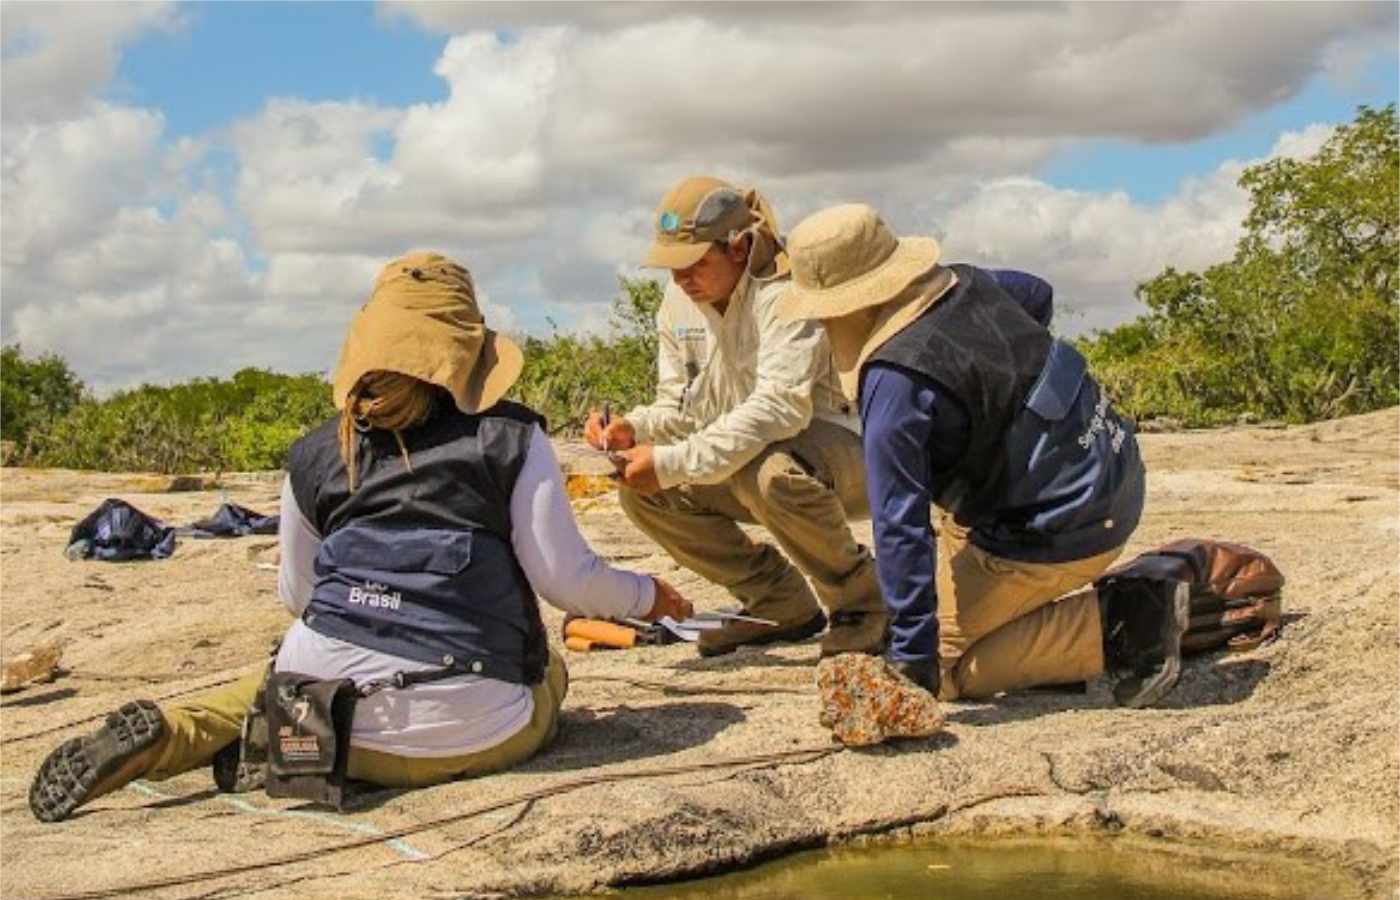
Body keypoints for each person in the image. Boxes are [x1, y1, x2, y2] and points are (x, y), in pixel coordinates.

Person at [29, 251, 693, 823]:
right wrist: (648, 596)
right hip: (468, 719)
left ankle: (207, 736)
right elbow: (565, 581)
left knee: (280, 677)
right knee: (549, 673)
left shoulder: (315, 452)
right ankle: (291, 747)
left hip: (314, 688)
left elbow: (299, 594)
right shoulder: (511, 437)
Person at [776, 204, 1189, 709]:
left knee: (951, 672)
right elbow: (1037, 293)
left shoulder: (894, 383)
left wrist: (913, 658)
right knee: (951, 583)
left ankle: (1126, 621)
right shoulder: (968, 283)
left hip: (1060, 530)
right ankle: (1030, 615)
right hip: (1113, 470)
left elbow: (899, 525)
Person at [584, 176, 886, 658]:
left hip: (848, 458)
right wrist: (633, 428)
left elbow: (780, 408)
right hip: (755, 457)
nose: (682, 279)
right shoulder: (678, 301)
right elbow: (680, 406)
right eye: (673, 267)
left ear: (739, 248)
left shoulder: (787, 289)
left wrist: (668, 462)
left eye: (695, 263)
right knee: (644, 495)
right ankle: (778, 601)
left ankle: (866, 607)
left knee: (768, 470)